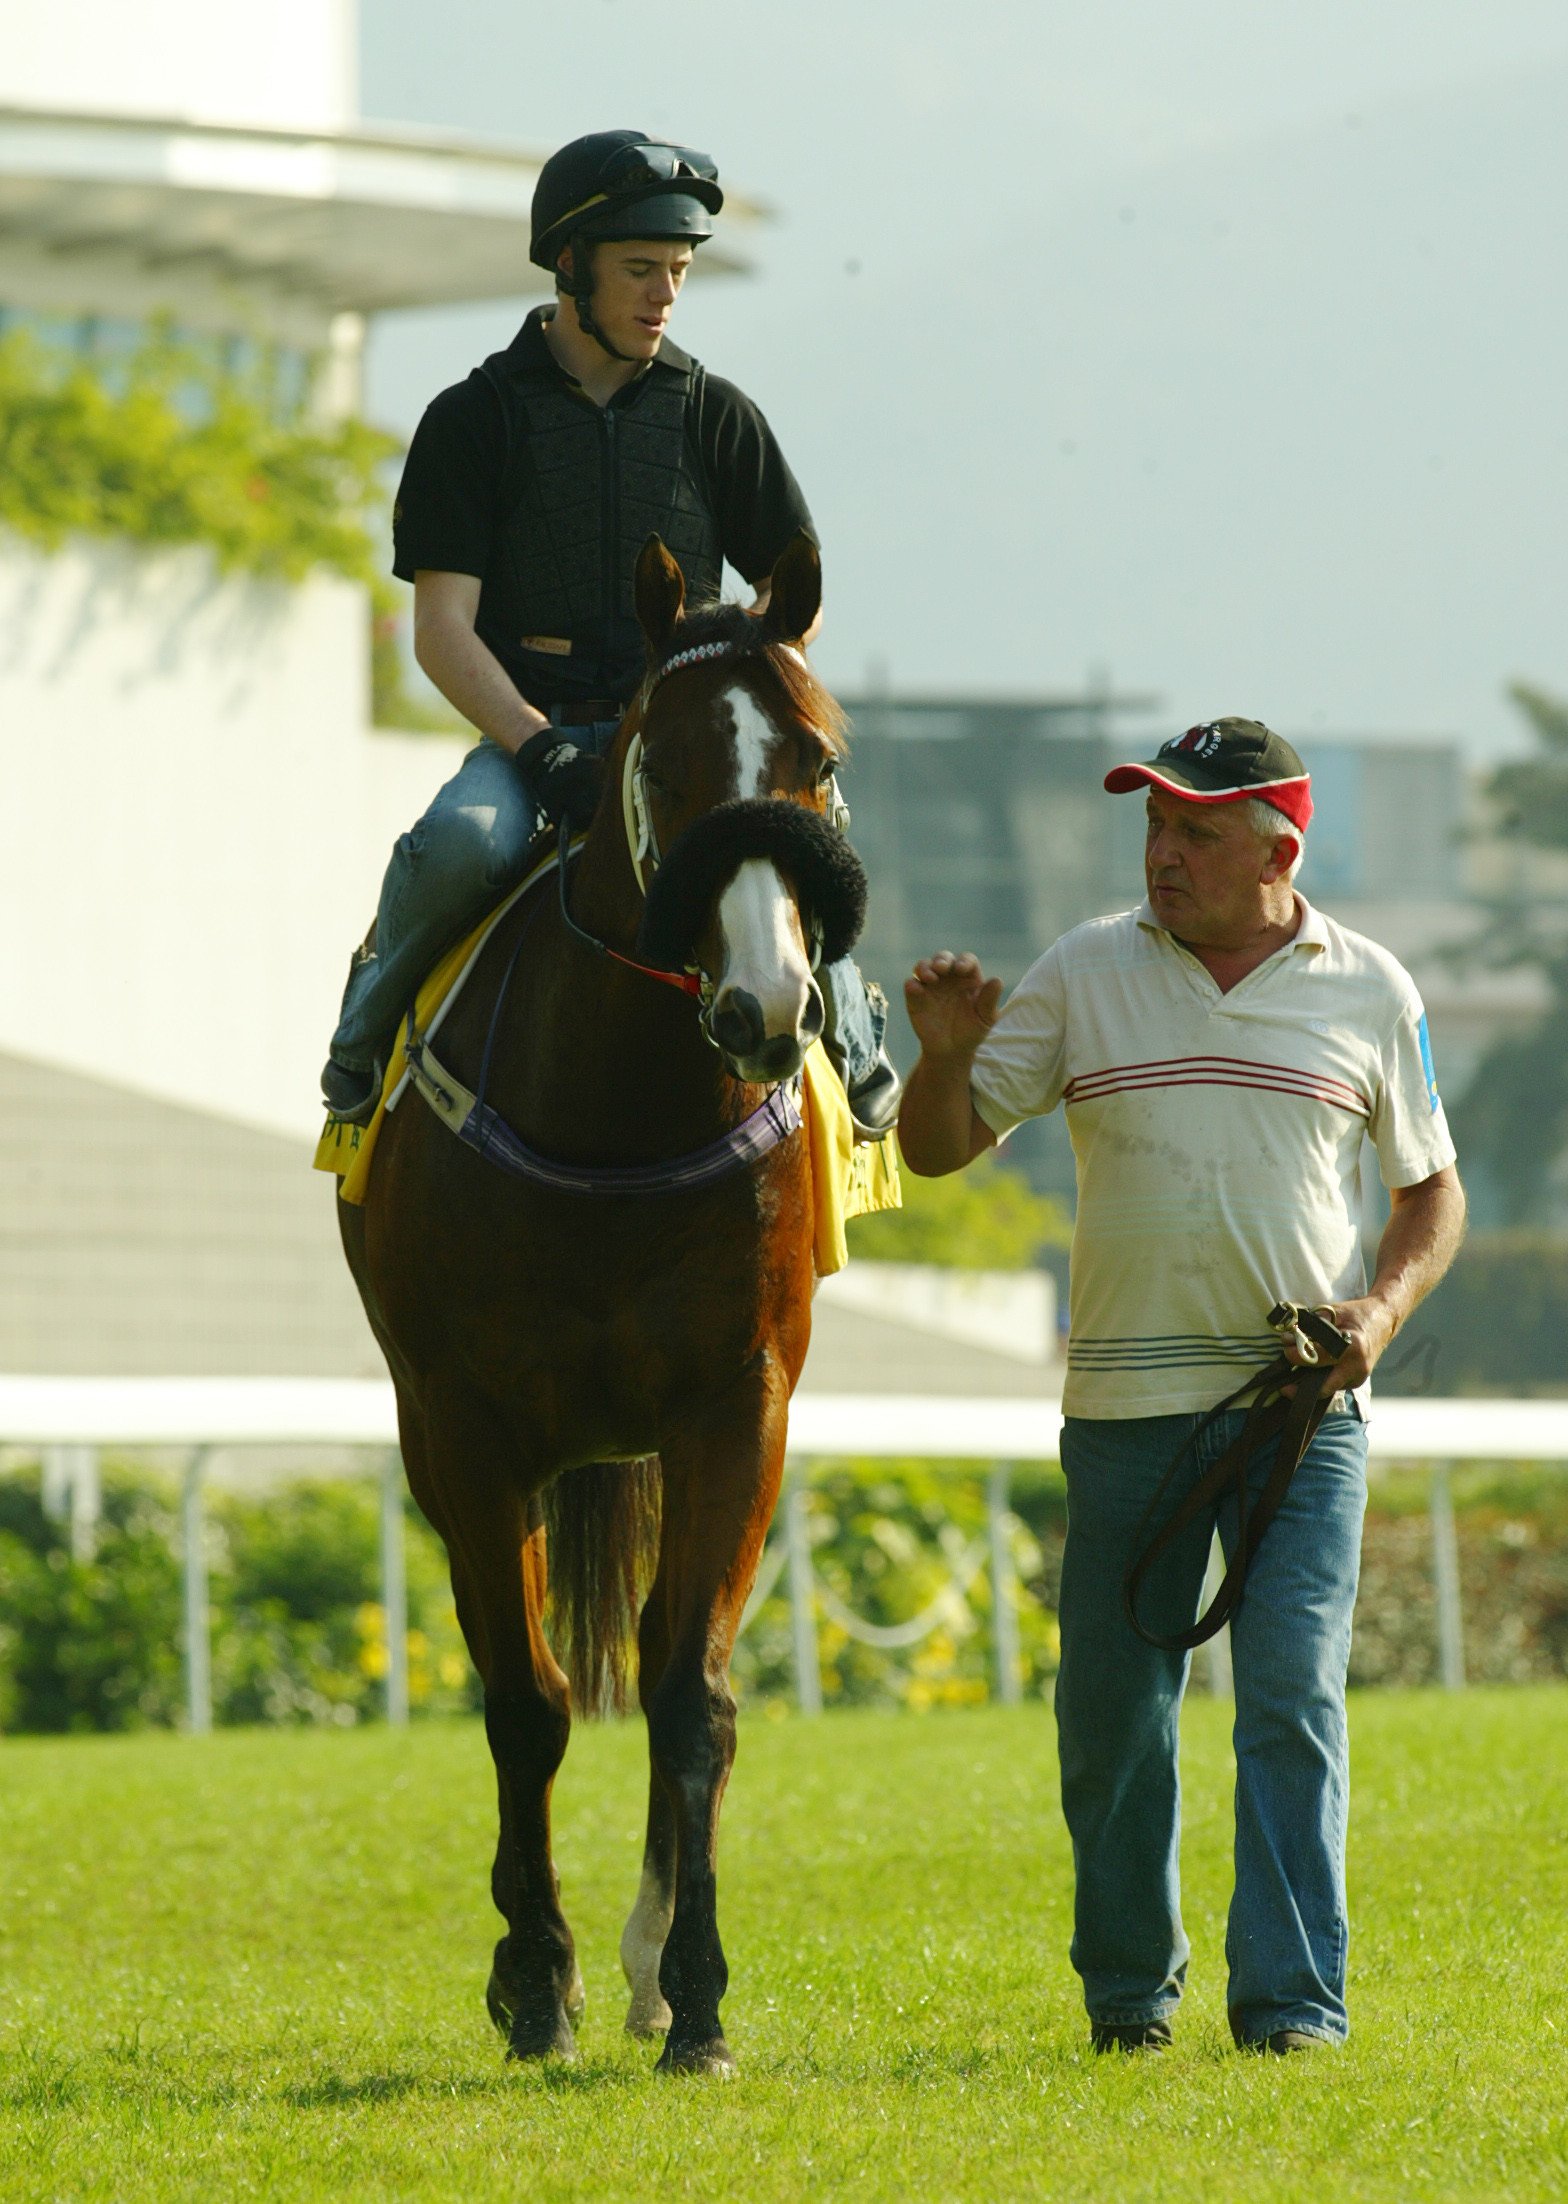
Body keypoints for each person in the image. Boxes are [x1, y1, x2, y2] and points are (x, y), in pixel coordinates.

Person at [898, 717, 1466, 2055]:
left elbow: (1430, 1190)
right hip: (1121, 1418)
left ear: (1281, 845)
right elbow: (941, 1150)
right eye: (1154, 825)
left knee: (1290, 1704)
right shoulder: (1083, 970)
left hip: (1300, 1417)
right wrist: (940, 1055)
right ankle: (1128, 2001)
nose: (1164, 852)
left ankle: (1291, 2011)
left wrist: (1375, 1320)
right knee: (1114, 1726)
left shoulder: (1373, 987)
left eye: (1196, 831)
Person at [322, 128, 898, 1130]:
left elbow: (790, 596)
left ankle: (855, 1045)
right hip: (532, 734)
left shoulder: (718, 416)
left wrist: (745, 687)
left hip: (689, 737)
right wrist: (537, 747)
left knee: (812, 835)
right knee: (461, 845)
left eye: (676, 271)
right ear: (568, 265)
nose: (663, 293)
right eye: (640, 269)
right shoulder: (472, 419)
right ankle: (362, 1040)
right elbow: (442, 631)